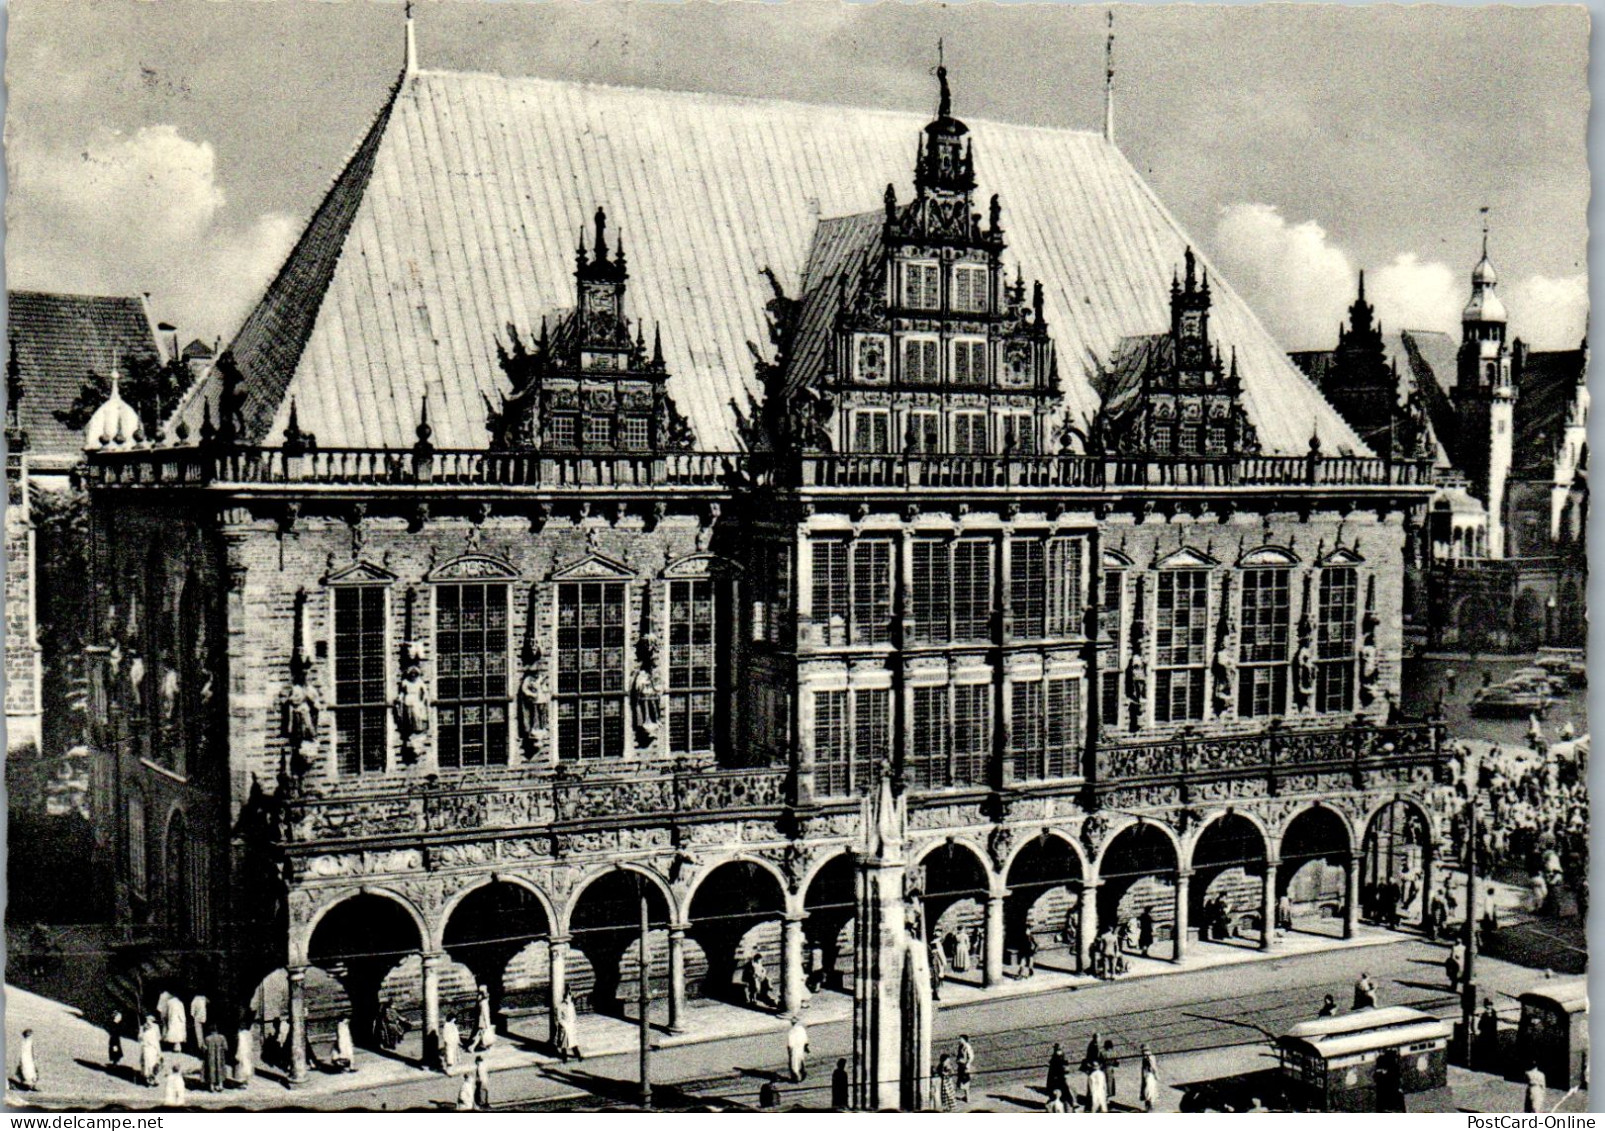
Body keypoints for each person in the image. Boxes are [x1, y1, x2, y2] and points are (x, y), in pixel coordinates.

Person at [555, 990, 581, 1061]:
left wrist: (574, 1023)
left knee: (573, 1042)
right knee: (564, 1043)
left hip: (571, 1025)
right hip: (565, 1026)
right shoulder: (560, 1006)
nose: (568, 998)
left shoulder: (571, 1005)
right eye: (567, 997)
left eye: (569, 997)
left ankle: (578, 1056)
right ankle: (564, 1058)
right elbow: (559, 1018)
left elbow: (574, 1015)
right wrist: (564, 1025)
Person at [202, 1027, 228, 1093]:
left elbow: (204, 1048)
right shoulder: (222, 1037)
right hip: (220, 1057)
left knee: (211, 1070)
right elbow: (226, 1048)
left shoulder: (207, 1038)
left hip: (210, 1057)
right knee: (220, 1070)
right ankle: (220, 1085)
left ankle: (212, 1086)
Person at [140, 1015, 163, 1086]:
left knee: (155, 1063)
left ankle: (154, 1078)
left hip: (154, 1048)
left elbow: (158, 1038)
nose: (148, 1022)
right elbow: (140, 1038)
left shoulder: (156, 1027)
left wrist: (158, 1050)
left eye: (150, 1020)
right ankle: (148, 1079)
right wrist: (142, 1034)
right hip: (146, 1048)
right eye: (147, 1020)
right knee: (148, 1064)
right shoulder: (142, 1027)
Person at [471, 985, 496, 1051]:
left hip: (482, 1020)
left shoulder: (480, 1000)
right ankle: (472, 1047)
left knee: (480, 1034)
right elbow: (485, 1014)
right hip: (484, 1021)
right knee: (482, 1034)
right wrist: (487, 1024)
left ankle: (487, 1047)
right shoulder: (484, 1002)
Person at [1477, 999, 1500, 1068]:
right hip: (1490, 1034)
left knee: (1488, 1048)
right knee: (1488, 1048)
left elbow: (1480, 1026)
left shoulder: (1486, 1015)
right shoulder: (1492, 1013)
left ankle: (1489, 1061)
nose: (1488, 1008)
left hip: (1488, 1035)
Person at [786, 1015, 809, 1083]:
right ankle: (803, 1072)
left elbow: (790, 1044)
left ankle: (797, 1078)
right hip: (801, 1047)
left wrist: (789, 1051)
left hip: (795, 1049)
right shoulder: (801, 1029)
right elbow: (805, 1040)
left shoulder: (791, 1032)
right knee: (801, 1060)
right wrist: (805, 1046)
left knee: (794, 1064)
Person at [234, 1022, 256, 1087]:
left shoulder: (240, 1034)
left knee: (243, 1066)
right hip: (248, 1051)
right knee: (248, 1065)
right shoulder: (249, 1033)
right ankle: (247, 1080)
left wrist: (237, 1053)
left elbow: (240, 1044)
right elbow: (251, 1043)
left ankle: (243, 1082)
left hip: (243, 1051)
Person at [1140, 1044, 1160, 1112]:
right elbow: (1153, 1067)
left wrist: (1156, 1074)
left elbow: (1153, 1067)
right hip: (1149, 1075)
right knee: (1150, 1090)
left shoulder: (1148, 1057)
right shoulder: (1149, 1057)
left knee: (1149, 1090)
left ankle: (1149, 1106)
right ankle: (1149, 1106)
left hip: (1149, 1075)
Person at [956, 1035, 975, 1103]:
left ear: (964, 1040)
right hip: (961, 1066)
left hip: (965, 1067)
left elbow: (971, 1057)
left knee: (965, 1081)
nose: (959, 1040)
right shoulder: (961, 1046)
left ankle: (968, 1097)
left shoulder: (967, 1047)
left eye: (960, 1039)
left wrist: (967, 1064)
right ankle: (966, 1096)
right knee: (962, 1081)